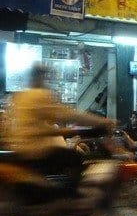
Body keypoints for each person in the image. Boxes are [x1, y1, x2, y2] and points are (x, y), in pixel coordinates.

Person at [3, 64, 115, 192]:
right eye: (45, 77)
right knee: (75, 158)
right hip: (36, 152)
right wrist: (101, 121)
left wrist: (71, 130)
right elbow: (66, 115)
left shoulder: (21, 97)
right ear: (40, 77)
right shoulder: (38, 95)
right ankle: (69, 198)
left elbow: (41, 127)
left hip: (21, 150)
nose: (46, 81)